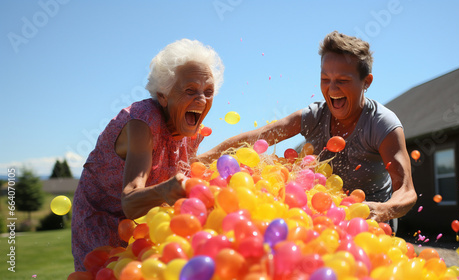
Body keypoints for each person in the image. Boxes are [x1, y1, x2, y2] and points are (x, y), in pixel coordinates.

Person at [200, 31, 417, 230]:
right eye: (325, 79)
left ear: (366, 82)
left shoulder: (382, 124)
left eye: (342, 80)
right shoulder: (314, 116)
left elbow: (406, 191)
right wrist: (202, 159)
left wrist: (380, 211)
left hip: (371, 222)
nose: (332, 89)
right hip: (324, 212)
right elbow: (260, 135)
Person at [71, 39, 224, 271]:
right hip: (101, 219)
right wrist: (164, 190)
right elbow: (130, 201)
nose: (202, 99)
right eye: (190, 90)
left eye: (208, 91)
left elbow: (200, 161)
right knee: (109, 272)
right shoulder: (142, 122)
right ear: (163, 96)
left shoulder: (188, 127)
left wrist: (291, 123)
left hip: (143, 222)